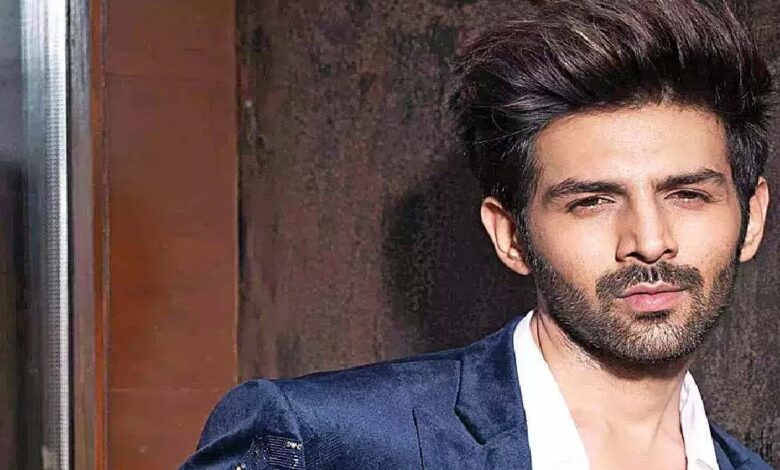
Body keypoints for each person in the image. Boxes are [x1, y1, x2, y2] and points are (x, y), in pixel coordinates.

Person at [180, 0, 774, 468]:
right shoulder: (322, 441)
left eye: (688, 195)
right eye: (591, 202)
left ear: (751, 218)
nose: (648, 240)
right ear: (511, 235)